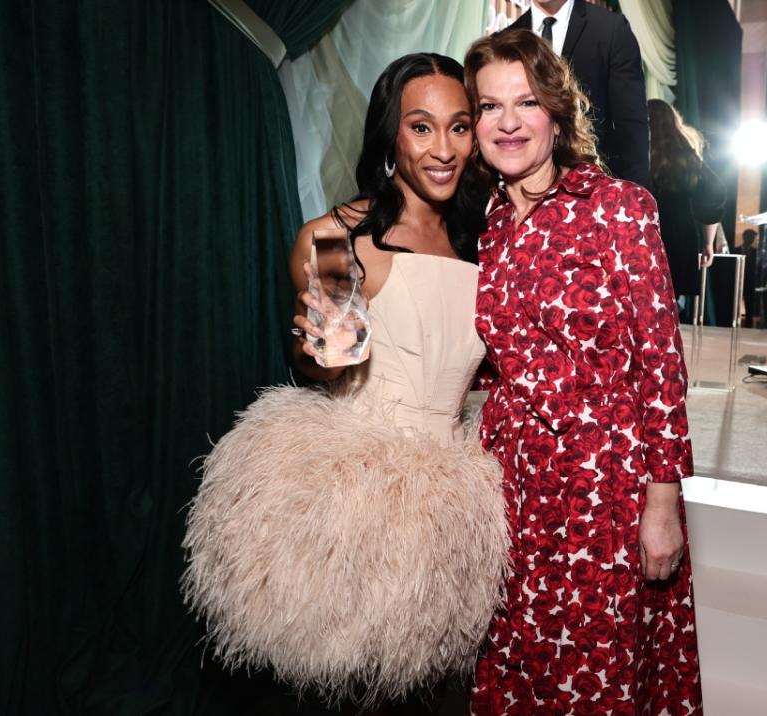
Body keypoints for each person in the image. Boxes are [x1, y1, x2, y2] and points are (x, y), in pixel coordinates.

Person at [182, 53, 509, 710]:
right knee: (350, 691)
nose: (442, 148)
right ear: (391, 135)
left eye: (459, 126)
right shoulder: (339, 238)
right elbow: (328, 362)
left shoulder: (491, 241)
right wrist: (319, 346)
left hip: (455, 503)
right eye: (421, 127)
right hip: (359, 501)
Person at [464, 30, 701, 714]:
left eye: (526, 102)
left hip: (605, 494)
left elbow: (660, 367)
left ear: (558, 113)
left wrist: (662, 506)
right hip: (513, 493)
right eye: (488, 107)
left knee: (593, 674)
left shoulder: (620, 209)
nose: (507, 122)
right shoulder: (487, 230)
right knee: (515, 662)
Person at [508, 0, 649, 186]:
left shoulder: (611, 29)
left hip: (595, 190)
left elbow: (632, 129)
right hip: (523, 188)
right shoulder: (507, 38)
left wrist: (635, 202)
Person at [648, 98, 726, 322]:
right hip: (678, 241)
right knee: (667, 312)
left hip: (639, 238)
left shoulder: (632, 155)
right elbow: (712, 199)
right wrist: (708, 243)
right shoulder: (689, 159)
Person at [738, 228, 759, 328]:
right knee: (736, 303)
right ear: (745, 237)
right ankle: (734, 322)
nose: (753, 240)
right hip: (738, 281)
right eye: (752, 237)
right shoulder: (736, 250)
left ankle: (748, 324)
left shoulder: (756, 252)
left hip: (750, 283)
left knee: (749, 304)